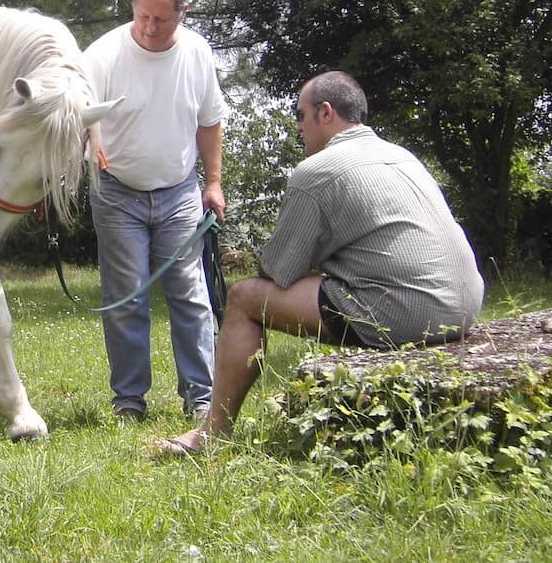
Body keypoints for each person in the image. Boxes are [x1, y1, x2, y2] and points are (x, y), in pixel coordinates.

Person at [160, 71, 485, 454]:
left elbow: (278, 272)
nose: (298, 127)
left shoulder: (317, 171)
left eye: (300, 115)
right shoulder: (400, 155)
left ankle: (211, 434)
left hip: (409, 312)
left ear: (325, 113)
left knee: (245, 300)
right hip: (466, 306)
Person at [82, 0, 226, 421]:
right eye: (142, 15)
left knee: (191, 293)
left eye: (161, 19)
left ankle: (201, 399)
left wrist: (214, 182)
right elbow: (77, 108)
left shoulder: (197, 53)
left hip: (179, 192)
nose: (149, 26)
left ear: (183, 13)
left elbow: (210, 121)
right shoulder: (104, 53)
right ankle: (129, 401)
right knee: (126, 297)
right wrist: (91, 138)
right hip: (117, 191)